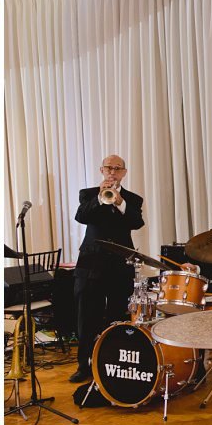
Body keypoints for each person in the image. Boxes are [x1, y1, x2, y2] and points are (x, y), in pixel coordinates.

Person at [70, 154, 145, 383]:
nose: (112, 172)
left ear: (124, 172)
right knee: (87, 317)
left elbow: (137, 222)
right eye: (108, 168)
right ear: (101, 170)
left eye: (117, 169)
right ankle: (84, 366)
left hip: (120, 266)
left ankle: (112, 363)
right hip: (91, 265)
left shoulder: (132, 199)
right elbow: (81, 216)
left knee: (116, 317)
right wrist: (101, 199)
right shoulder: (88, 194)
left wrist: (120, 201)